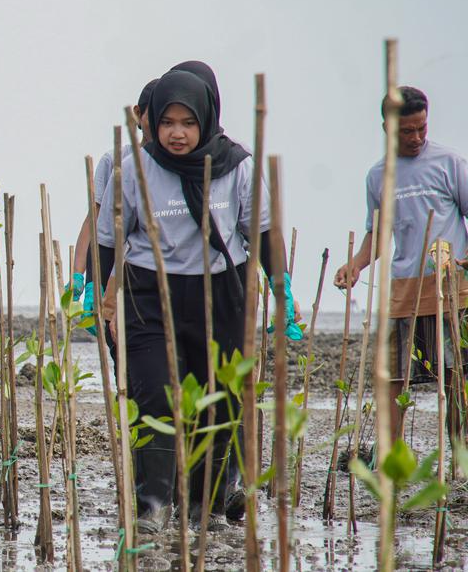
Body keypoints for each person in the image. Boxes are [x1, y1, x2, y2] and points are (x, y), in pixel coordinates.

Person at [95, 65, 302, 534]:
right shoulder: (134, 168)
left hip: (218, 294)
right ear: (152, 123)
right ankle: (152, 506)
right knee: (153, 395)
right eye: (167, 123)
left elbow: (263, 232)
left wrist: (280, 288)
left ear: (207, 119)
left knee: (219, 401)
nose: (176, 133)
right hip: (150, 294)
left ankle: (205, 507)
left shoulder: (239, 166)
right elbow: (108, 237)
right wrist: (94, 288)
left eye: (187, 123)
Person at [334, 86, 468, 441]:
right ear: (388, 129)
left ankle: (459, 448)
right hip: (404, 289)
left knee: (456, 373)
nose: (417, 137)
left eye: (422, 128)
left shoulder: (449, 163)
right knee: (394, 376)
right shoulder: (379, 176)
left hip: (452, 289)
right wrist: (356, 264)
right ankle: (389, 451)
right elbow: (377, 234)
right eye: (407, 131)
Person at [67, 78, 157, 331]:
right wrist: (81, 275)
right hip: (114, 275)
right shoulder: (116, 160)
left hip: (153, 277)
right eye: (157, 115)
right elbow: (93, 221)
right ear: (138, 115)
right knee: (120, 354)